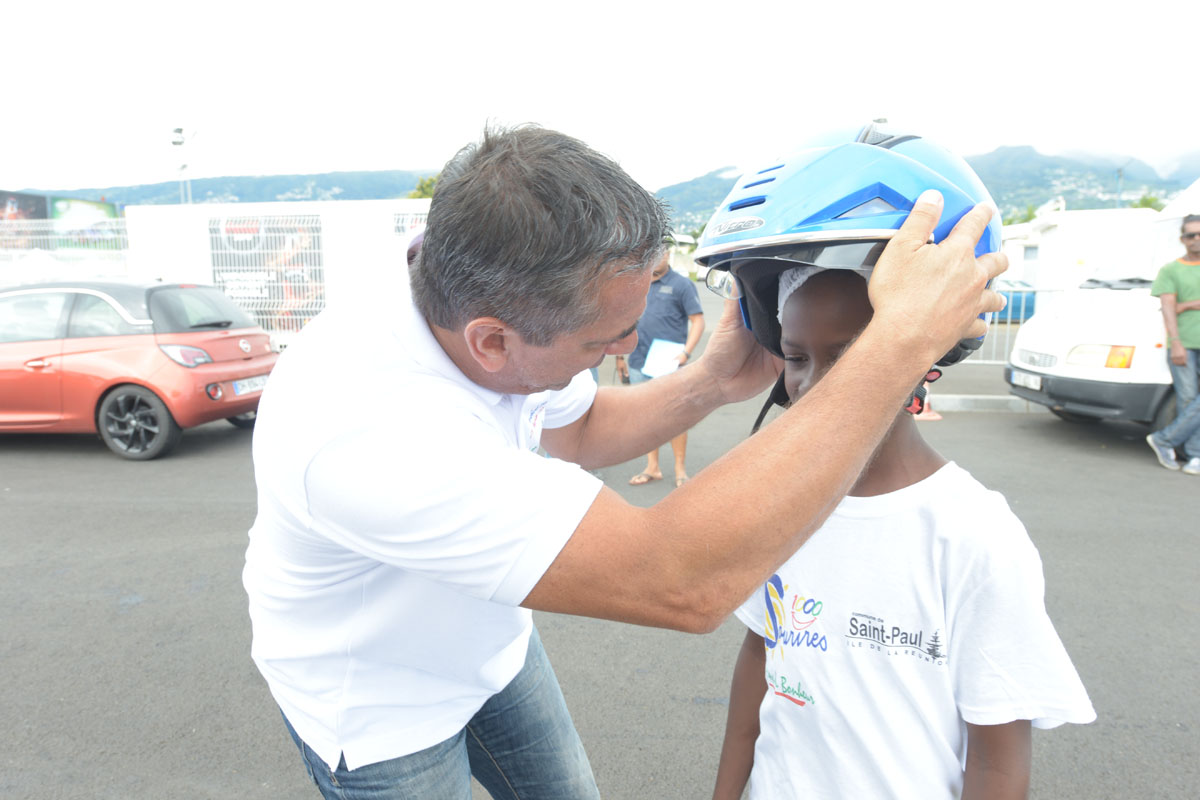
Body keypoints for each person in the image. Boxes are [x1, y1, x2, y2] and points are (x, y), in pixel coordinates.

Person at [243, 123, 1006, 799]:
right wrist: (896, 347)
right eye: (605, 342)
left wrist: (707, 382)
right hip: (378, 705)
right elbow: (680, 580)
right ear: (493, 341)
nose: (625, 353)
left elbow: (580, 429)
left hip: (490, 654)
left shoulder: (462, 283)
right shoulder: (368, 432)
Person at [710, 263, 1095, 800]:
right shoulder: (783, 505)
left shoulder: (974, 533)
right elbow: (761, 654)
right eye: (797, 358)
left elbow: (998, 763)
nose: (814, 384)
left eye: (851, 357)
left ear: (921, 361)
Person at [616, 243, 705, 487]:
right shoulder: (636, 285)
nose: (658, 258)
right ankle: (652, 467)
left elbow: (697, 321)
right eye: (653, 253)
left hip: (668, 363)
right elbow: (624, 321)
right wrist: (620, 357)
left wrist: (686, 353)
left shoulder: (681, 285)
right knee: (645, 419)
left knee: (676, 417)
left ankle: (680, 470)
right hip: (637, 361)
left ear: (668, 255)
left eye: (662, 252)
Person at [1146, 213, 1200, 471]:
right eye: (1191, 235)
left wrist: (1187, 305)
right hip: (1185, 344)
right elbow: (1168, 309)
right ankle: (1194, 454)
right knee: (1188, 399)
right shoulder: (1171, 270)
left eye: (1199, 234)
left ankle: (1166, 441)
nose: (1196, 239)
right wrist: (1176, 343)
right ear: (1183, 239)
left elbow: (1178, 306)